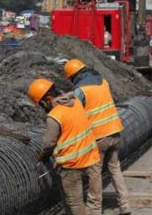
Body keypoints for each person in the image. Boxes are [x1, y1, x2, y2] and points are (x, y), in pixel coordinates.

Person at [63, 59, 131, 215]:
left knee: (95, 173)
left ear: (73, 76)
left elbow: (73, 113)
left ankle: (94, 210)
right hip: (114, 131)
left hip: (98, 137)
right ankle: (125, 205)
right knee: (115, 169)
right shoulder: (103, 82)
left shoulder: (81, 90)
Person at [27, 78, 102, 215]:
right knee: (93, 198)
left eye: (42, 104)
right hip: (91, 155)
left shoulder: (54, 116)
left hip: (71, 165)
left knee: (75, 202)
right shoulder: (76, 102)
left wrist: (42, 155)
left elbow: (49, 143)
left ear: (47, 98)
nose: (43, 107)